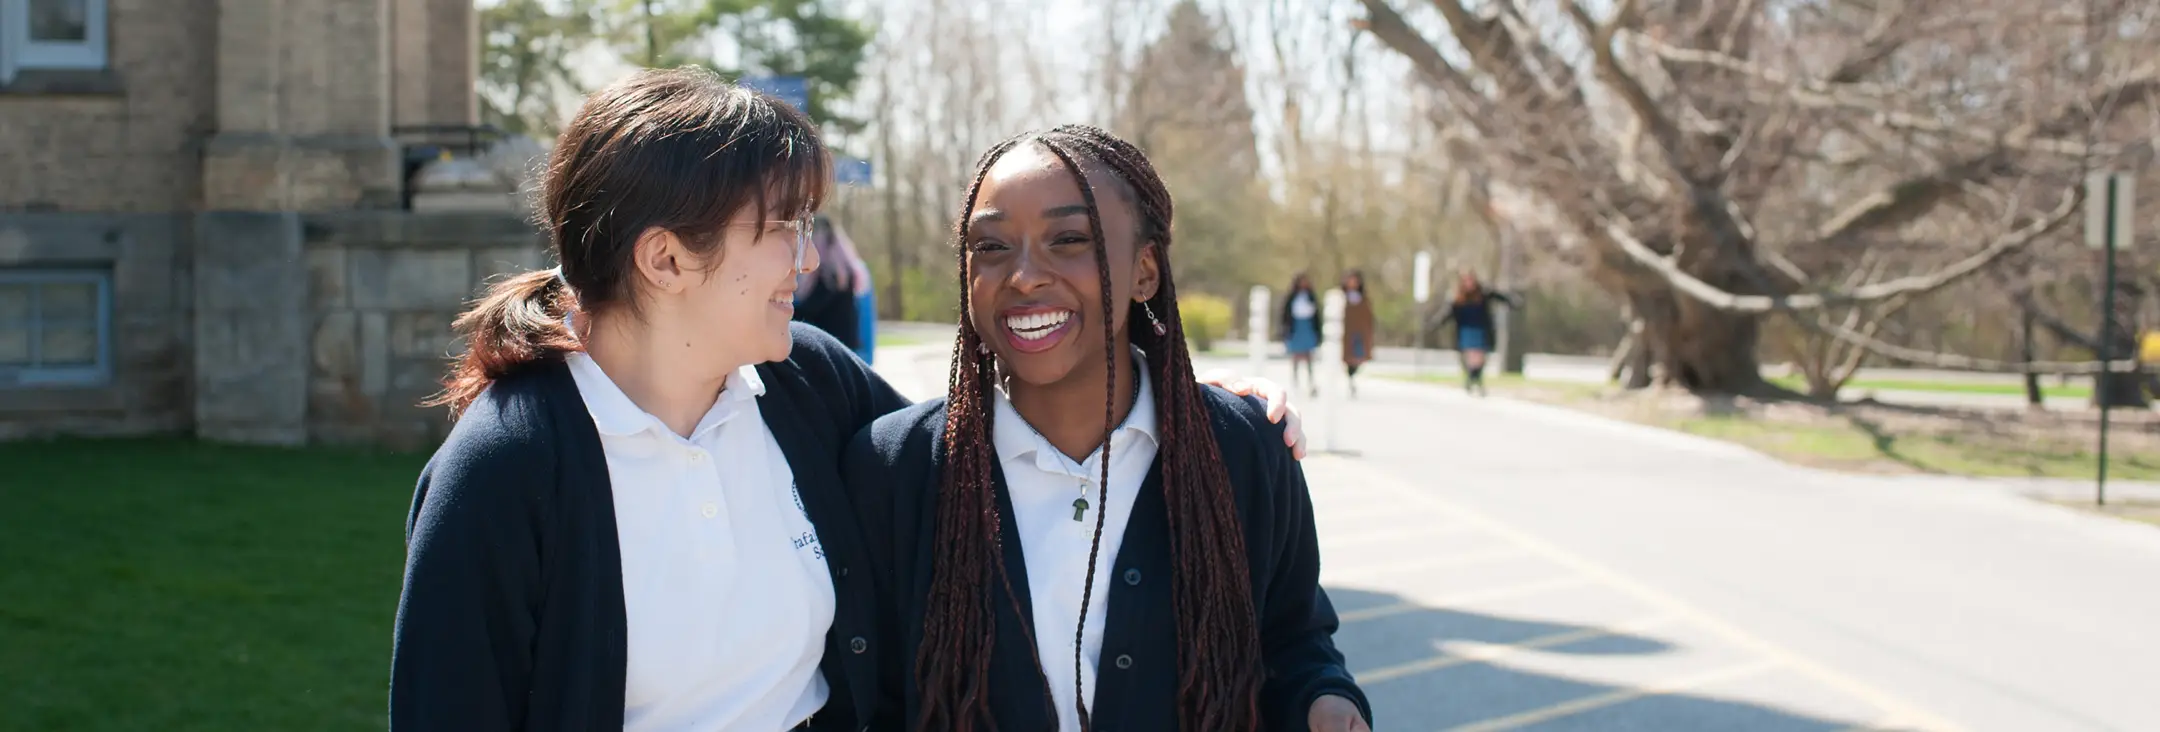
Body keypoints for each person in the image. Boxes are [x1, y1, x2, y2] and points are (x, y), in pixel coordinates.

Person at [389, 69, 1310, 732]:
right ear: (665, 259)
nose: (807, 259)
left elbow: (976, 428)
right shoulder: (506, 470)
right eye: (783, 228)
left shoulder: (802, 383)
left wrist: (1182, 395)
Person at [844, 125, 1371, 732]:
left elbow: (1296, 641)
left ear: (1145, 271)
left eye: (1068, 239)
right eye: (990, 247)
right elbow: (873, 695)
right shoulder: (896, 468)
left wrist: (1327, 702)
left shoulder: (1244, 449)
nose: (1024, 276)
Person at [1436, 269, 1519, 396]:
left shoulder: (1483, 294)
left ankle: (1474, 378)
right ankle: (1472, 378)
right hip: (1466, 328)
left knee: (1479, 356)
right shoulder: (1458, 298)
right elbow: (1447, 313)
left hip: (1481, 328)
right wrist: (1435, 323)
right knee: (1470, 355)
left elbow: (1499, 297)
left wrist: (1512, 301)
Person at [793, 214, 863, 353]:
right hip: (847, 338)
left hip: (832, 342)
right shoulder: (846, 270)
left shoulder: (828, 276)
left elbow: (812, 308)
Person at [1280, 272, 1322, 396]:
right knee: (1296, 356)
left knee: (1309, 356)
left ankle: (1311, 382)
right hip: (1296, 328)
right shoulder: (1291, 298)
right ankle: (1295, 381)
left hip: (1307, 328)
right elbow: (1285, 315)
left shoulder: (1311, 297)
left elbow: (1317, 316)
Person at [1340, 270, 1375, 398]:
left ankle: (1352, 378)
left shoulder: (1363, 298)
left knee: (1358, 358)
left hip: (1359, 333)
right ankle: (1350, 381)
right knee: (1347, 358)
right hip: (1346, 333)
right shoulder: (1341, 297)